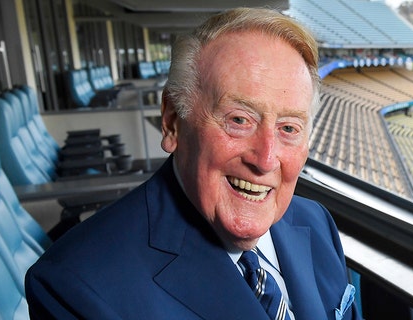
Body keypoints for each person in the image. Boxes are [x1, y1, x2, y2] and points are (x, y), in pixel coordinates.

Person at [25, 7, 360, 320]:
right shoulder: (77, 285)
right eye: (239, 120)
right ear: (172, 122)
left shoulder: (317, 223)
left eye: (289, 128)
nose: (266, 158)